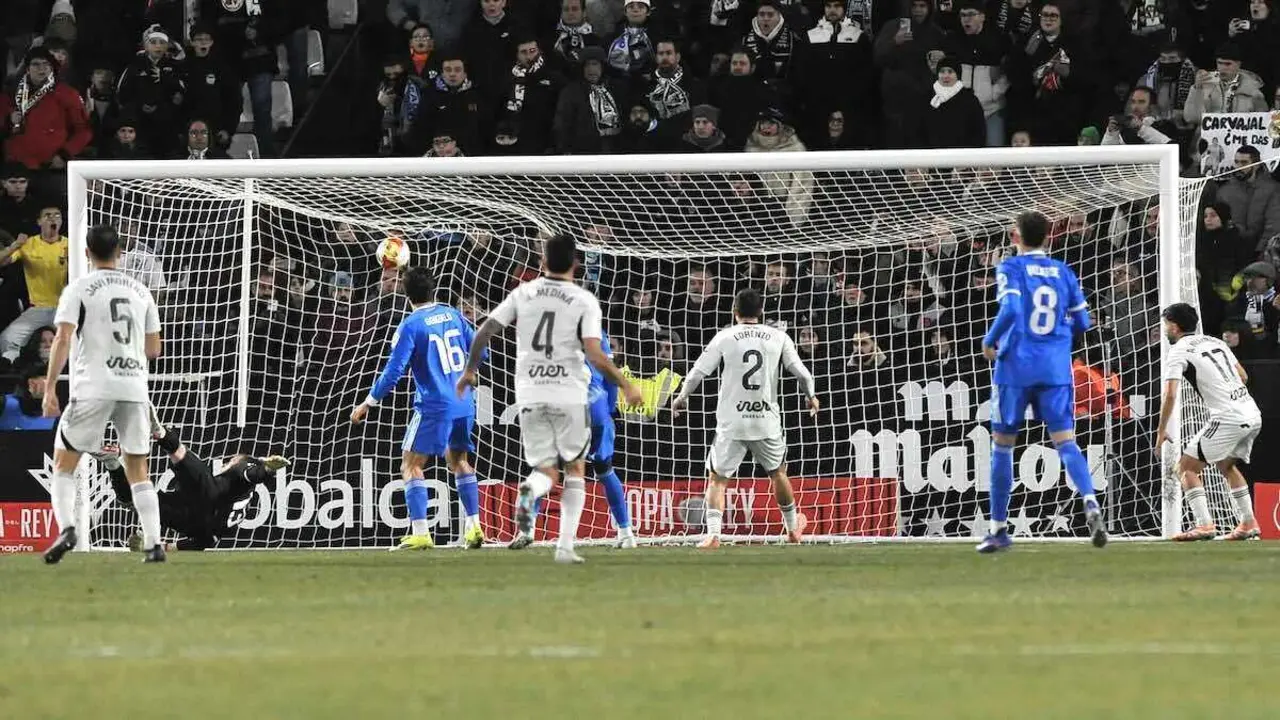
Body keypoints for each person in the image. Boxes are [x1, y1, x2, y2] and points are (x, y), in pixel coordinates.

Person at [457, 233, 642, 564]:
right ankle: (579, 543)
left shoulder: (523, 293)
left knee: (544, 470)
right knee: (584, 469)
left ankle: (529, 510)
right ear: (575, 264)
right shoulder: (583, 303)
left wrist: (470, 371)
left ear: (541, 264)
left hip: (531, 393)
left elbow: (482, 331)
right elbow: (598, 357)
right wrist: (625, 388)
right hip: (580, 399)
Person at [977, 210, 1104, 553]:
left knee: (1002, 445)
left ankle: (999, 530)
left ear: (1015, 237)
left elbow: (1012, 311)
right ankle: (1090, 499)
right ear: (1047, 236)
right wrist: (1058, 340)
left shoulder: (1010, 268)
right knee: (1065, 441)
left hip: (1015, 367)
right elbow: (1084, 322)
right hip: (1054, 367)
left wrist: (989, 341)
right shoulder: (1063, 271)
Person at [41, 224, 164, 564]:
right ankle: (154, 543)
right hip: (134, 386)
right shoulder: (141, 291)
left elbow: (63, 338)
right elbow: (154, 349)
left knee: (64, 462)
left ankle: (67, 527)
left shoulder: (79, 288)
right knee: (138, 468)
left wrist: (50, 387)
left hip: (93, 385)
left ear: (86, 252)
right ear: (120, 251)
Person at [670, 287, 820, 549]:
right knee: (778, 474)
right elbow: (803, 375)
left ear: (734, 312)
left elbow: (696, 373)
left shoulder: (725, 337)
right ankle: (793, 528)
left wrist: (681, 397)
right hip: (765, 419)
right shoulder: (778, 336)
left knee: (717, 478)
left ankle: (714, 535)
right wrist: (811, 396)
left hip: (732, 420)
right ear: (761, 312)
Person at [351, 266, 488, 550]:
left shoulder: (411, 325)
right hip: (465, 402)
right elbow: (481, 348)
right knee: (459, 461)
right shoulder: (452, 313)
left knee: (411, 465)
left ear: (405, 292)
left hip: (435, 404)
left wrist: (369, 401)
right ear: (433, 288)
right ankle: (474, 527)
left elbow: (394, 371)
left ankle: (421, 532)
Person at [508, 328, 636, 550]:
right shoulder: (597, 333)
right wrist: (609, 410)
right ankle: (626, 534)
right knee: (604, 470)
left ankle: (526, 529)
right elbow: (609, 374)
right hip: (598, 408)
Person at [97, 416, 289, 551]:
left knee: (183, 458)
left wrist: (267, 469)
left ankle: (158, 433)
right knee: (135, 501)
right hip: (195, 522)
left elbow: (254, 474)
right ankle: (113, 462)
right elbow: (205, 542)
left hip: (210, 497)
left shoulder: (245, 464)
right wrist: (161, 546)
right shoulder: (239, 499)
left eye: (230, 460)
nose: (227, 462)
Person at [1154, 303, 1262, 541]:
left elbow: (1170, 394)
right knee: (1227, 466)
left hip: (1228, 417)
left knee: (1185, 467)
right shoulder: (1216, 342)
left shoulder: (1179, 350)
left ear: (1173, 326)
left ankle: (1204, 525)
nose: (1164, 330)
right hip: (1252, 413)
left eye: (1165, 325)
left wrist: (1161, 429)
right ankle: (1248, 523)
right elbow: (1242, 376)